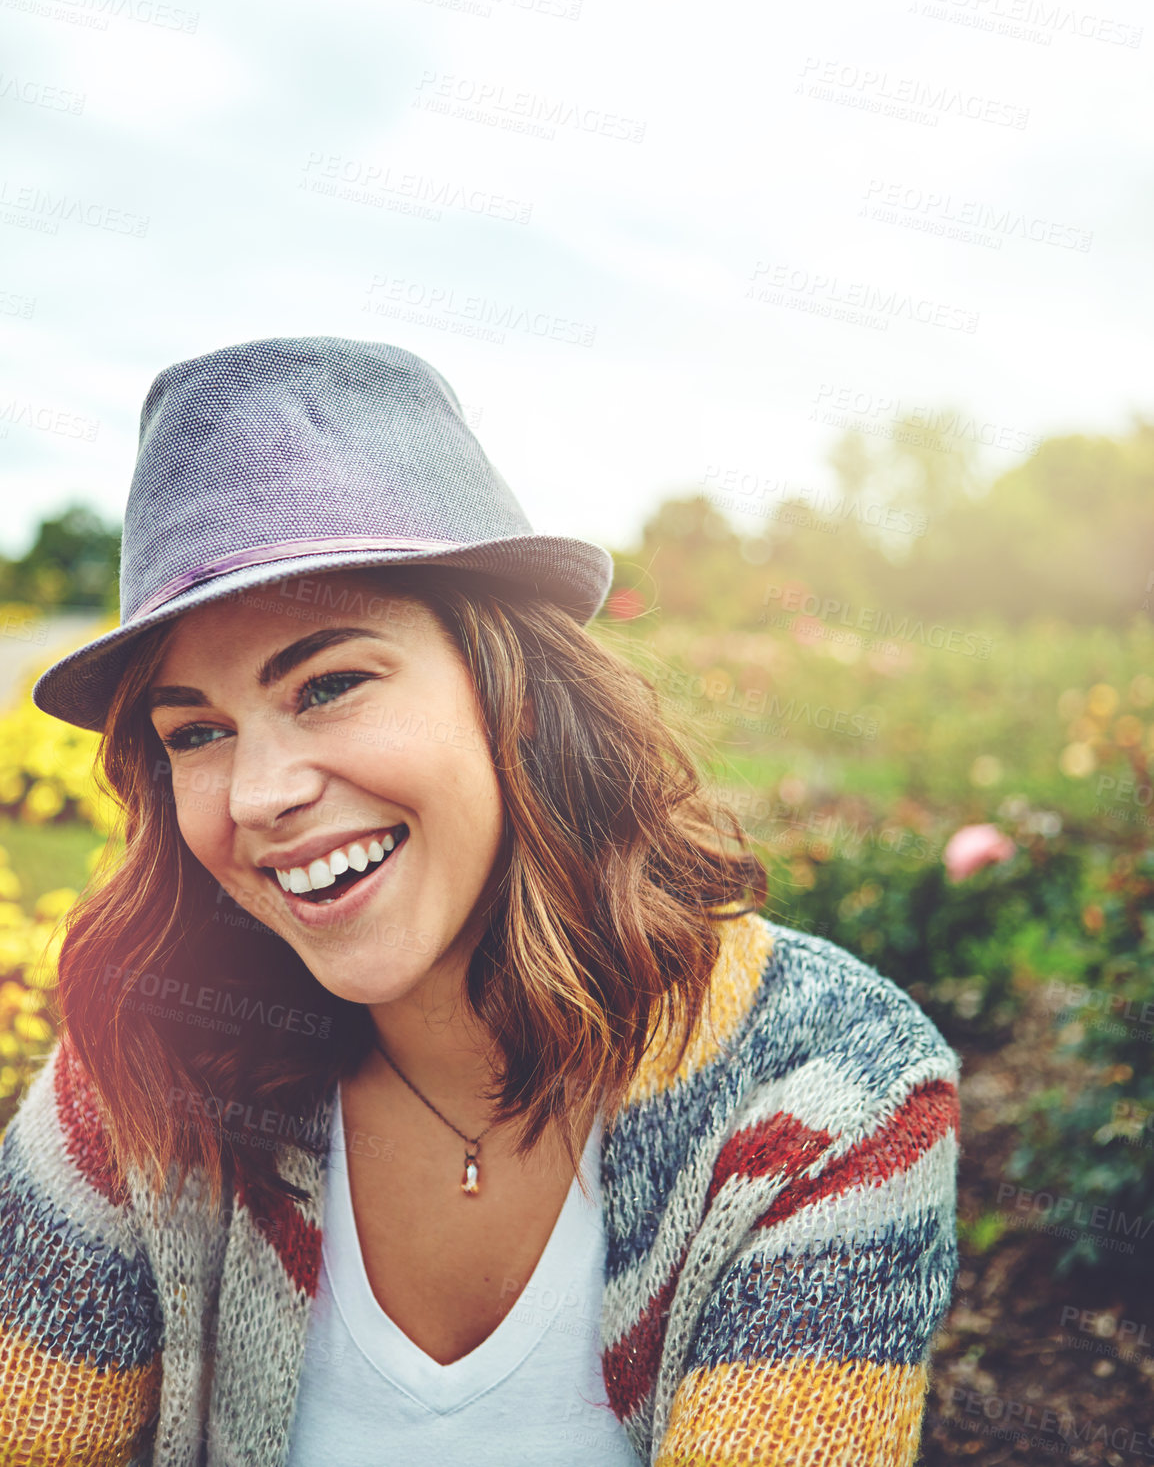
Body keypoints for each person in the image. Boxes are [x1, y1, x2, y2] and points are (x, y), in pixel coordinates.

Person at [0, 336, 959, 1465]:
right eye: (196, 732)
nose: (259, 796)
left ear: (513, 690)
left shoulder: (827, 1088)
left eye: (329, 683)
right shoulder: (147, 1072)